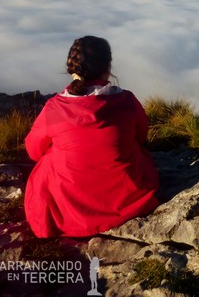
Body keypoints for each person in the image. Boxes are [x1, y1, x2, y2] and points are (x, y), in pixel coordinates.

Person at [24, 36, 159, 238]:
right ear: (108, 67)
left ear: (73, 67)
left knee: (50, 158)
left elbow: (34, 151)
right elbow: (141, 137)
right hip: (127, 198)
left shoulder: (54, 108)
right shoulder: (127, 101)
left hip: (68, 209)